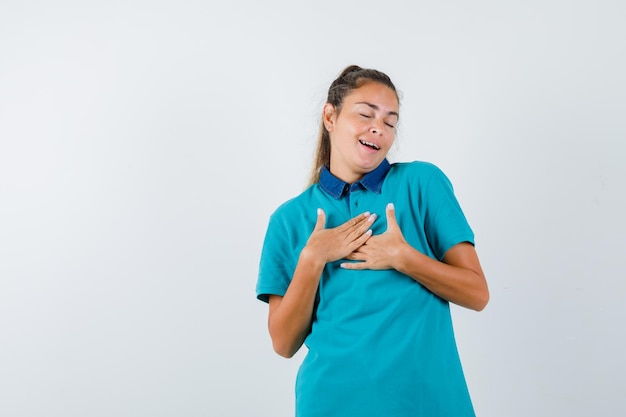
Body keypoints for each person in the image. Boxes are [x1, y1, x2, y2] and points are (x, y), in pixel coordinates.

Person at [256, 65, 489, 417]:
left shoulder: (421, 184)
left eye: (390, 122)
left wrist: (405, 258)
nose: (378, 127)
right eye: (365, 114)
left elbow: (477, 293)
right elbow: (283, 343)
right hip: (330, 404)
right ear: (330, 117)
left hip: (428, 403)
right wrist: (312, 259)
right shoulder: (288, 220)